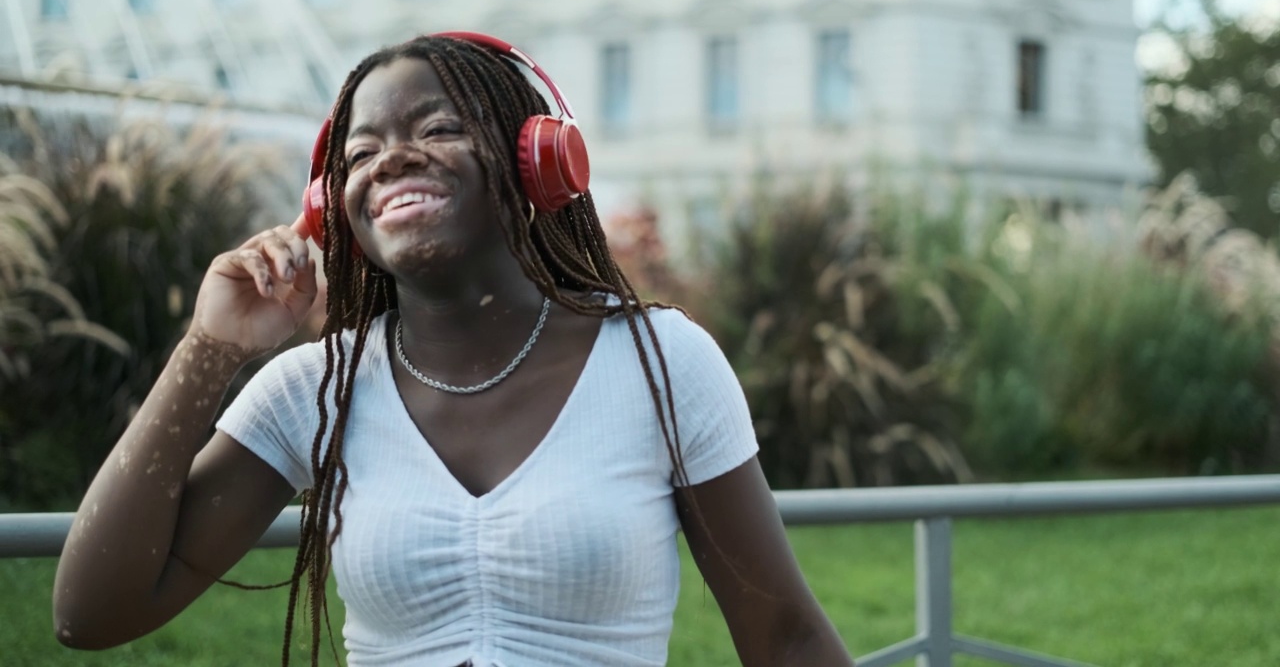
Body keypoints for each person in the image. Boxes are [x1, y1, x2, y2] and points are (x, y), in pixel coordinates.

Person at [52, 33, 854, 667]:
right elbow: (90, 613)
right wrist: (209, 348)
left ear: (537, 162)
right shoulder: (315, 390)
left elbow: (786, 639)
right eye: (361, 154)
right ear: (335, 212)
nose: (393, 157)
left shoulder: (660, 362)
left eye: (439, 128)